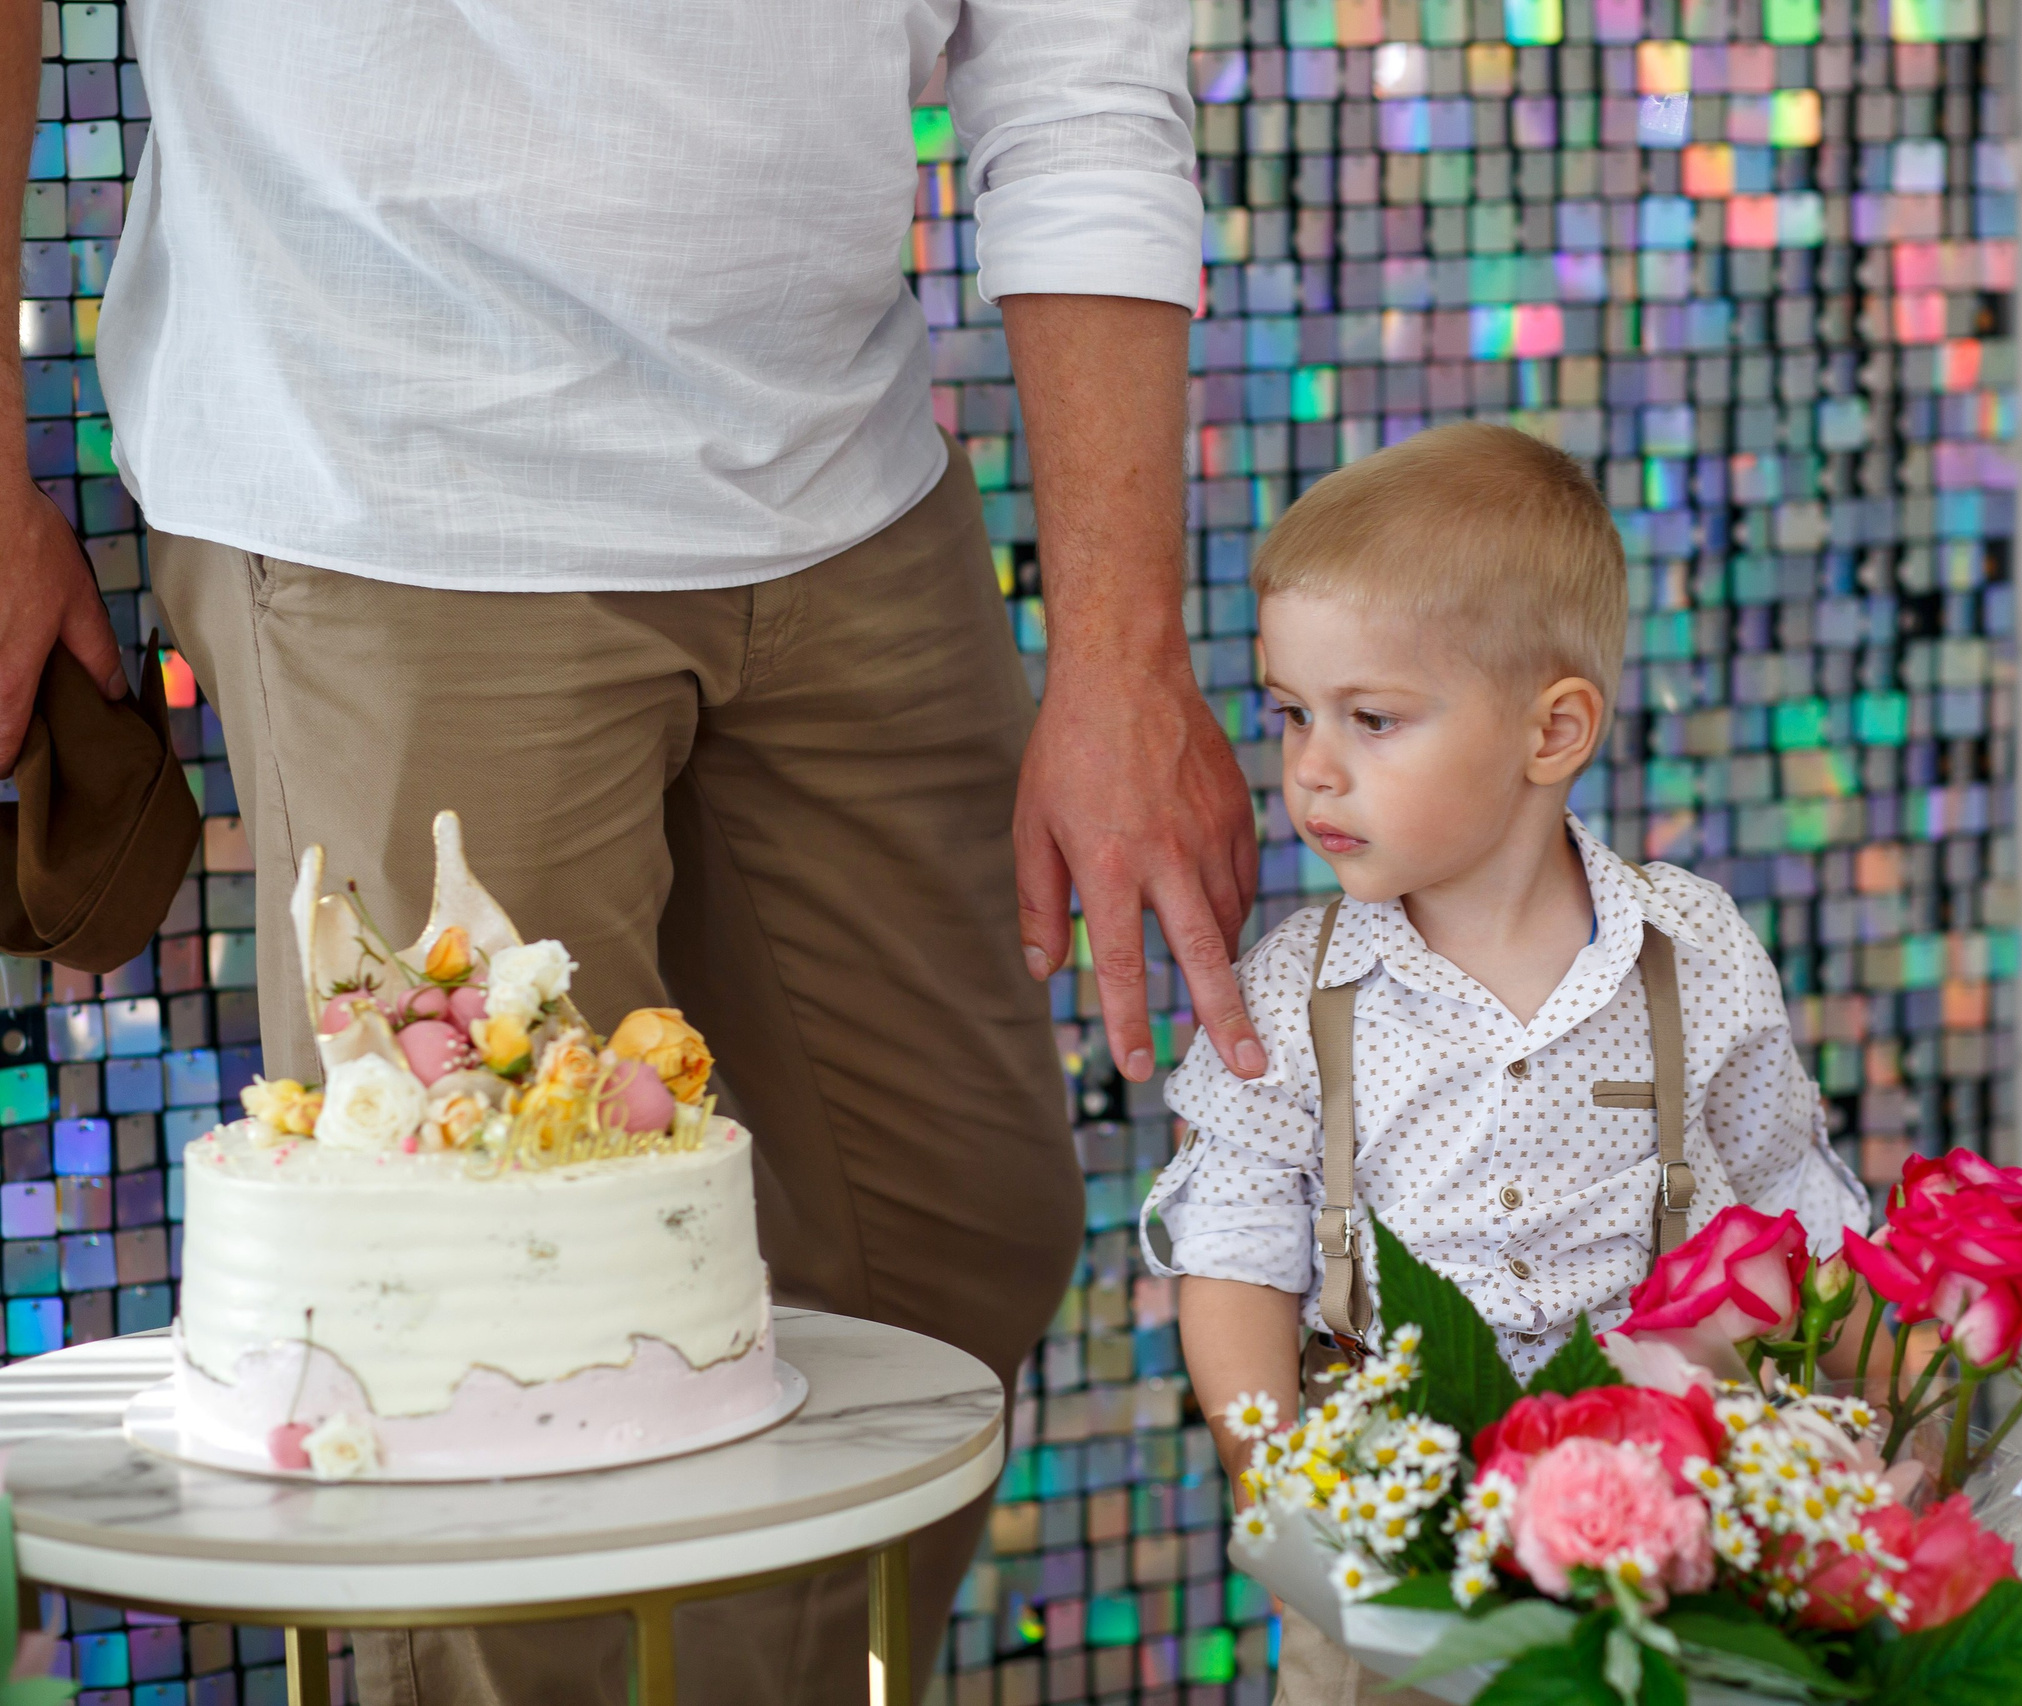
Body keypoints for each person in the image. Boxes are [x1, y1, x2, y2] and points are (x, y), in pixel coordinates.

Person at [0, 3, 1267, 1703]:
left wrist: (1124, 652)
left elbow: (1080, 65)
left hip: (841, 478)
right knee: (473, 1359)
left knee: (951, 1229)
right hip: (391, 477)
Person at [1143, 424, 1870, 1706]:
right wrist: (1282, 1493)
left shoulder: (1687, 951)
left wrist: (1865, 1423)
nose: (1312, 766)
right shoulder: (1294, 989)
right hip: (1392, 1539)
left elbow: (1785, 1198)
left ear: (1553, 731)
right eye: (1292, 713)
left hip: (1655, 1519)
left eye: (1371, 718)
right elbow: (1236, 1246)